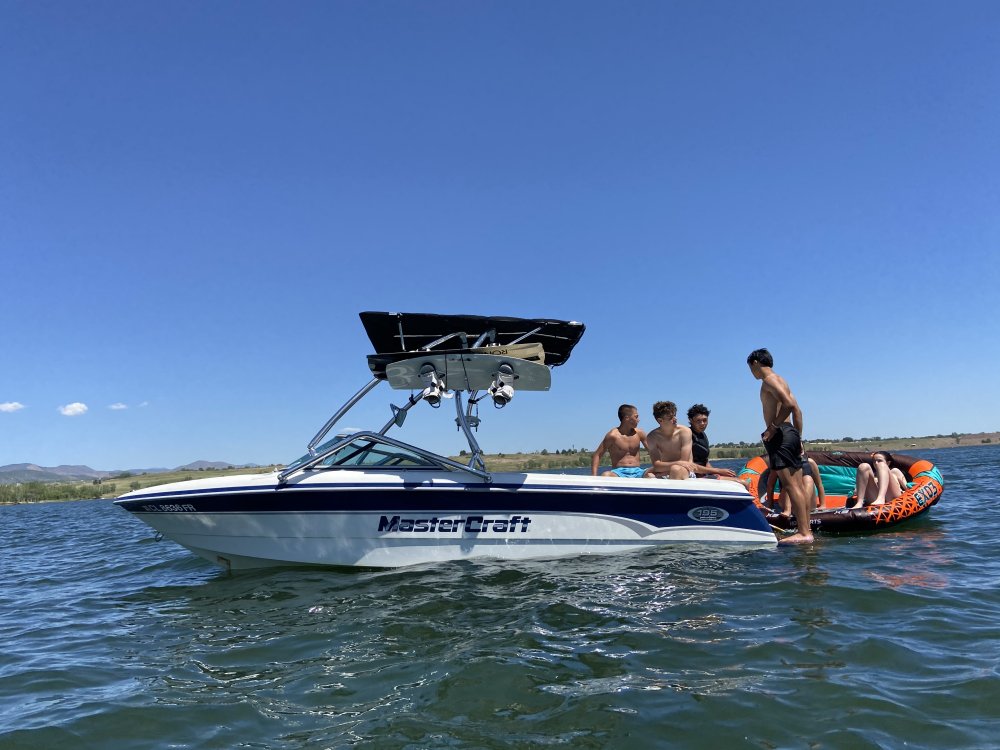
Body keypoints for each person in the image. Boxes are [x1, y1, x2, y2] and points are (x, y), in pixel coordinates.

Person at [747, 348, 813, 544]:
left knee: (792, 485)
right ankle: (806, 530)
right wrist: (798, 437)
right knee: (797, 486)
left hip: (781, 434)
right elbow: (798, 410)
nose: (751, 372)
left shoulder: (770, 380)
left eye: (751, 368)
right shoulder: (781, 380)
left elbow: (789, 405)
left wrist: (773, 428)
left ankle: (803, 533)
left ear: (756, 363)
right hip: (789, 432)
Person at [644, 401, 698, 479]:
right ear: (660, 420)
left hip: (685, 470)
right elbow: (657, 466)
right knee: (648, 475)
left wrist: (666, 469)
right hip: (665, 472)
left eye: (675, 416)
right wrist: (677, 463)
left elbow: (684, 462)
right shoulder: (652, 437)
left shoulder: (685, 432)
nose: (675, 419)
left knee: (675, 469)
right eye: (670, 418)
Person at [591, 404, 649, 477]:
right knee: (606, 475)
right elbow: (597, 455)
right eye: (636, 416)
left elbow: (653, 452)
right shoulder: (612, 435)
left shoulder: (640, 433)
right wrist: (594, 477)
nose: (638, 419)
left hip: (638, 471)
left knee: (651, 475)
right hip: (619, 473)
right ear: (627, 418)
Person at [687, 404, 737, 479]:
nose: (702, 423)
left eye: (705, 420)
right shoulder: (687, 435)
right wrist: (718, 471)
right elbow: (689, 465)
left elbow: (705, 461)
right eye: (698, 421)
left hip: (705, 474)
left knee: (735, 478)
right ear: (691, 420)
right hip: (694, 476)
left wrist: (716, 473)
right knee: (741, 482)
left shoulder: (703, 435)